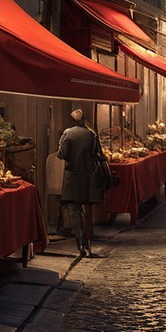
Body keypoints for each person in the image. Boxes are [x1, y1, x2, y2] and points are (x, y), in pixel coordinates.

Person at [57, 109, 105, 257]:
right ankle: (89, 241)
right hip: (89, 177)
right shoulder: (91, 134)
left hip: (73, 178)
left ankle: (80, 243)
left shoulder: (67, 134)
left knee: (74, 211)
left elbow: (62, 154)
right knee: (88, 211)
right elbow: (99, 155)